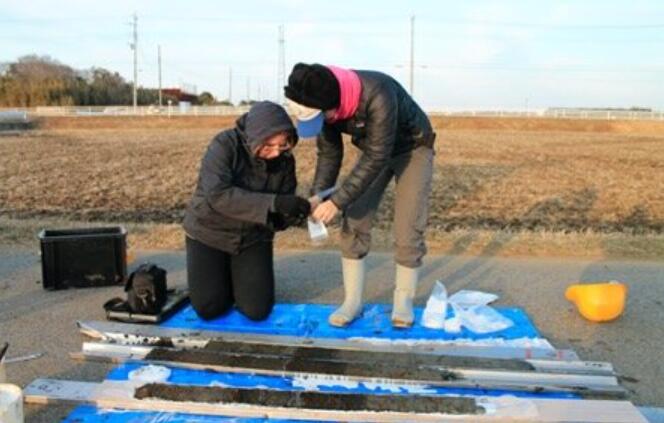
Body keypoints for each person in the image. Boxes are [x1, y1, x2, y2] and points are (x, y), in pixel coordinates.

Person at [285, 63, 435, 328]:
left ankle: (403, 300)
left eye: (321, 118)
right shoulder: (325, 103)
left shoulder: (378, 92)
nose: (323, 124)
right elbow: (330, 154)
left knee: (408, 226)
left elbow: (379, 155)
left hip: (413, 148)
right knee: (354, 219)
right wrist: (319, 195)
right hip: (373, 151)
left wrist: (338, 200)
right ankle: (352, 300)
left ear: (332, 105)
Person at [183, 101, 311, 321]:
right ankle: (219, 280)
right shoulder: (224, 144)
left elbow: (280, 209)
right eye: (269, 146)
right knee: (209, 308)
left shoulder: (285, 161)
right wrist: (275, 203)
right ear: (256, 136)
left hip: (253, 236)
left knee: (257, 310)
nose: (275, 153)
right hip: (209, 232)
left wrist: (296, 214)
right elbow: (218, 195)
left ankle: (237, 280)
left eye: (283, 145)